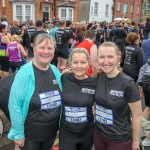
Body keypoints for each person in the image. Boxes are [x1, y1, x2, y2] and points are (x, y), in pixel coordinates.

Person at [8, 34, 62, 150]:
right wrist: (18, 134)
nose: (46, 52)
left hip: (51, 133)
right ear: (34, 48)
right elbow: (14, 105)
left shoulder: (55, 71)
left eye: (49, 48)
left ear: (54, 50)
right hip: (30, 137)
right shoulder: (24, 73)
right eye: (42, 47)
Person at [94, 42, 142, 150]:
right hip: (98, 134)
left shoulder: (128, 84)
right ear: (97, 59)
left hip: (119, 139)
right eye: (102, 57)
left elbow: (137, 114)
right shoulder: (97, 77)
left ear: (118, 58)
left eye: (110, 57)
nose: (106, 61)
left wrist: (135, 141)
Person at [59, 48, 97, 150]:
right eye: (75, 62)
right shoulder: (64, 78)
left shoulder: (94, 83)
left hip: (87, 133)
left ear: (89, 63)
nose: (79, 66)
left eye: (83, 62)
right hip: (66, 133)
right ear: (70, 63)